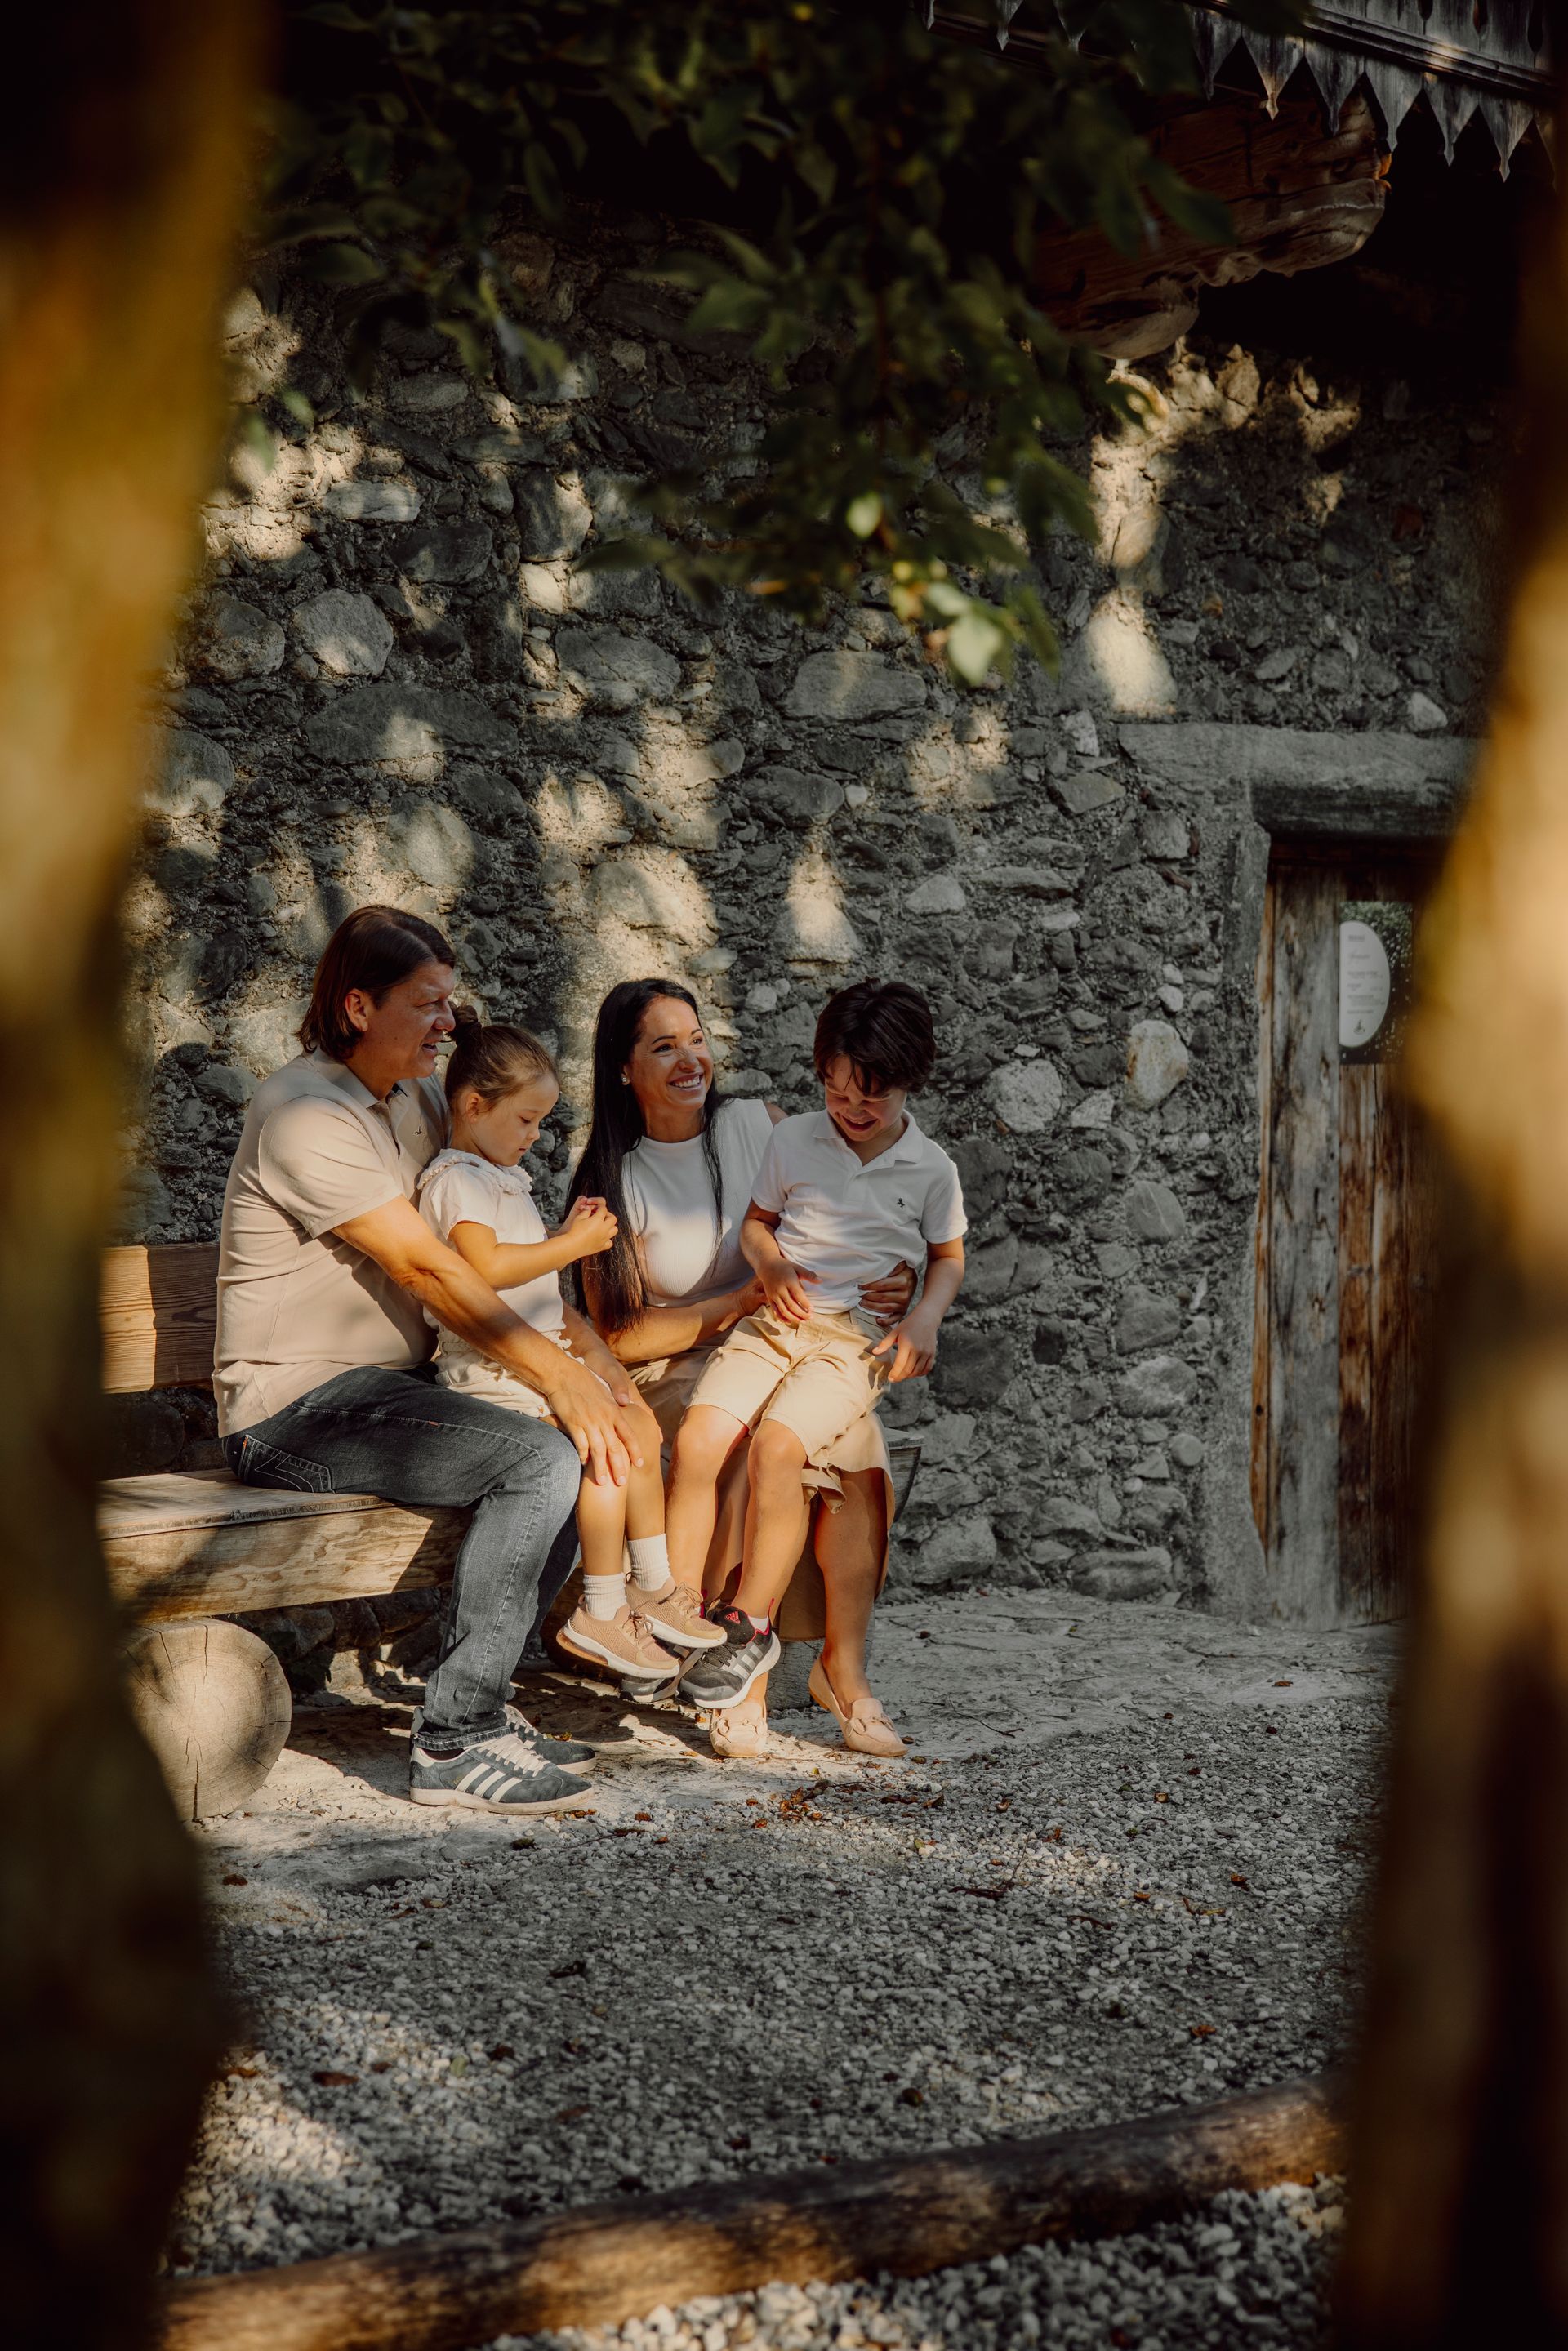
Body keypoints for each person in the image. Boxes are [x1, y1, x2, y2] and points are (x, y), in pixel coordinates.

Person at [214, 904, 648, 1818]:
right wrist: (556, 1372)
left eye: (452, 1001)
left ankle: (465, 1688)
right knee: (543, 1454)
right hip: (294, 1405)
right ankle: (458, 1737)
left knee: (563, 1432)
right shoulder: (302, 1112)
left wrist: (586, 1366)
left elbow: (488, 1241)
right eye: (429, 1003)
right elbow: (428, 1266)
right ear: (360, 1006)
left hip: (391, 1391)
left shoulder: (413, 1099)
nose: (451, 1024)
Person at [567, 978, 917, 1758]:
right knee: (749, 1436)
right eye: (664, 1046)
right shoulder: (612, 1177)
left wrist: (904, 1279)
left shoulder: (759, 1124)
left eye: (696, 1038)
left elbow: (858, 1214)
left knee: (855, 1446)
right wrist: (737, 1302)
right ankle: (738, 1676)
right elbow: (620, 1339)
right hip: (676, 1370)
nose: (692, 1058)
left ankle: (844, 1672)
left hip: (793, 1344)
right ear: (623, 1068)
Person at [672, 981, 966, 1744]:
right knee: (707, 1439)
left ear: (913, 1079)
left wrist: (923, 1318)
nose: (851, 1109)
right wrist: (768, 1270)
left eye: (870, 1096)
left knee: (781, 1447)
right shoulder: (794, 1138)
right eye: (835, 1092)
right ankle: (676, 1616)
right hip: (774, 1324)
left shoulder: (929, 1168)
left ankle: (752, 1630)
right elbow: (761, 1227)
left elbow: (948, 1258)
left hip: (852, 1340)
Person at [416, 1008, 721, 1690]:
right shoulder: (455, 1179)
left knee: (637, 1424)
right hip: (491, 1369)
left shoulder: (500, 1179)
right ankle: (600, 1608)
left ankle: (653, 1584)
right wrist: (570, 1245)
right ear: (472, 1105)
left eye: (541, 1121)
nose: (535, 1135)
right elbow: (481, 1270)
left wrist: (560, 1231)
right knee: (608, 1447)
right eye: (525, 1120)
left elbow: (525, 1269)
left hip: (537, 1354)